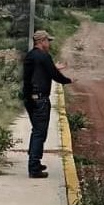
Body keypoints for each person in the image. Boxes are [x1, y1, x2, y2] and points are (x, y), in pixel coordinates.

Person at [22, 29, 72, 178]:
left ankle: (34, 162)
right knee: (39, 133)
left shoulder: (30, 56)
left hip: (30, 99)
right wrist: (68, 81)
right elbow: (54, 75)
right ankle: (34, 167)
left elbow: (41, 71)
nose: (48, 44)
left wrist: (54, 68)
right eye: (47, 41)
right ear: (41, 41)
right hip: (41, 100)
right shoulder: (44, 56)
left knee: (36, 130)